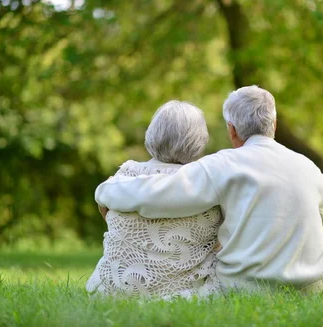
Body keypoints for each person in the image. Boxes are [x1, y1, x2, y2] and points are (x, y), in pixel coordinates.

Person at [96, 86, 323, 294]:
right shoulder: (308, 166)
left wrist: (106, 191)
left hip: (248, 287)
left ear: (231, 130)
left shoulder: (223, 164)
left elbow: (158, 194)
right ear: (273, 124)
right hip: (313, 285)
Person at [86, 101, 223, 299]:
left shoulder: (127, 173)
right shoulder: (206, 183)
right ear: (199, 141)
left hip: (111, 290)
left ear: (153, 133)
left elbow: (112, 218)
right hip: (182, 293)